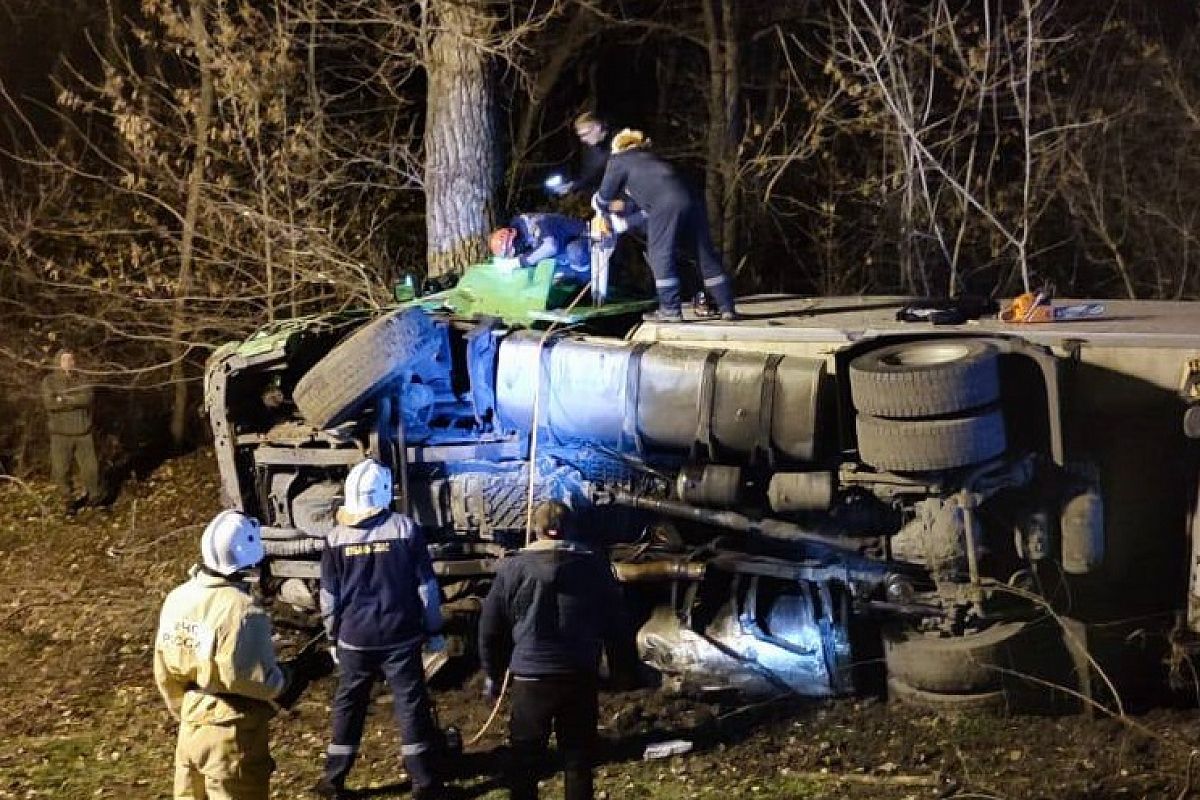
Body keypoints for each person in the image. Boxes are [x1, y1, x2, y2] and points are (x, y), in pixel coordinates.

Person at [478, 501, 630, 800]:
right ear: (569, 528)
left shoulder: (513, 568)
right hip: (579, 674)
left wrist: (492, 674)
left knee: (524, 762)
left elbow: (490, 627)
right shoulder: (594, 566)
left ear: (535, 530)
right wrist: (620, 670)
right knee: (577, 761)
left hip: (531, 678)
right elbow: (616, 622)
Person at [316, 459, 447, 800]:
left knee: (349, 704)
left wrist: (332, 636)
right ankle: (423, 781)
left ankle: (333, 779)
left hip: (354, 639)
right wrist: (433, 629)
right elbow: (426, 588)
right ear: (386, 492)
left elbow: (329, 598)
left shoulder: (335, 538)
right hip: (400, 636)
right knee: (410, 703)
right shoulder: (405, 529)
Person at [154, 510, 288, 800]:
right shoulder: (242, 609)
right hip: (232, 736)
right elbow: (251, 680)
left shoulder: (178, 597)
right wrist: (288, 678)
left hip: (190, 728)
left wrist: (188, 711)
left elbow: (163, 671)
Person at [594, 129, 738, 323]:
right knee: (704, 254)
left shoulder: (619, 161)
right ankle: (727, 306)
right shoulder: (652, 160)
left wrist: (599, 205)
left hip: (665, 205)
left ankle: (670, 309)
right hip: (692, 201)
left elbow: (605, 195)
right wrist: (625, 212)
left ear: (619, 147)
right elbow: (645, 197)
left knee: (660, 254)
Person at [40, 349, 104, 513]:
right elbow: (50, 403)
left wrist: (64, 399)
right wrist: (73, 400)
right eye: (64, 359)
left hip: (83, 432)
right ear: (58, 362)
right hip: (60, 434)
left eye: (71, 359)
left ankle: (95, 499)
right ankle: (68, 502)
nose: (68, 362)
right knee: (61, 470)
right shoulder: (50, 381)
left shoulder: (82, 379)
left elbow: (87, 398)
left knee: (91, 469)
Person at [489, 212, 591, 283]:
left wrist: (518, 262)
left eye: (510, 252)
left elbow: (550, 247)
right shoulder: (522, 238)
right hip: (562, 255)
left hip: (583, 240)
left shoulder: (536, 222)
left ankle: (587, 284)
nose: (512, 255)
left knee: (576, 252)